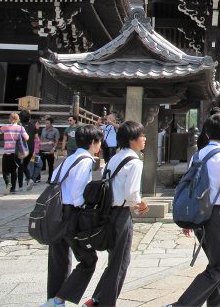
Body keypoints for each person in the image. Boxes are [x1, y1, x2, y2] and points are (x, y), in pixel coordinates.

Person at [163, 114, 220, 307]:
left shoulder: (197, 155)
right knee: (218, 267)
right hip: (215, 215)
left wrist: (189, 216)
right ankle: (181, 305)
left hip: (199, 215)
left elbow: (190, 186)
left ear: (207, 133)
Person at [84, 121, 148, 307]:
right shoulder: (135, 162)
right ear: (132, 140)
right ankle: (106, 302)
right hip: (121, 214)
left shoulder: (115, 158)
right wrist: (141, 203)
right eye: (141, 136)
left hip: (108, 212)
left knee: (115, 259)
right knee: (121, 261)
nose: (144, 139)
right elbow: (132, 194)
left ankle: (96, 299)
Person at [41, 125, 102, 307]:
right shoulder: (85, 161)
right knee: (88, 259)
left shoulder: (69, 159)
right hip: (71, 214)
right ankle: (59, 299)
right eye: (99, 142)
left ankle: (53, 299)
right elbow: (78, 194)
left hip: (56, 213)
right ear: (93, 142)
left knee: (58, 259)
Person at [0, 112, 29, 194]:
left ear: (10, 119)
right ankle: (13, 189)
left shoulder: (5, 127)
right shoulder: (21, 128)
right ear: (17, 119)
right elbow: (27, 138)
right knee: (14, 171)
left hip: (7, 152)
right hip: (16, 153)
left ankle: (8, 183)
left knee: (5, 171)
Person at [20, 109, 37, 190]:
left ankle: (19, 185)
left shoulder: (20, 126)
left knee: (20, 165)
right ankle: (29, 179)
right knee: (24, 165)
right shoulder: (33, 126)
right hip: (31, 148)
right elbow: (36, 138)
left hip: (22, 148)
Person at [40, 117, 60, 183]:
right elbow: (41, 139)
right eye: (45, 123)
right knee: (40, 164)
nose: (46, 124)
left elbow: (57, 141)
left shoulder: (55, 130)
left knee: (50, 165)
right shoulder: (43, 130)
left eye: (47, 123)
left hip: (50, 150)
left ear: (51, 124)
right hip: (42, 149)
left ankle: (50, 178)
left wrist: (53, 149)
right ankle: (37, 177)